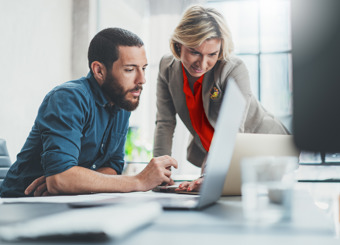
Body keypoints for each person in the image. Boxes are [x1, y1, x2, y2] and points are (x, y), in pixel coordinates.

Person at [0, 27, 177, 197]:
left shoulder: (121, 102)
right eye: (130, 70)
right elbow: (60, 179)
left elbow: (113, 167)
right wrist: (138, 181)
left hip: (67, 202)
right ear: (99, 70)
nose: (142, 79)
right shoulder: (68, 98)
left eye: (143, 68)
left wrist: (73, 181)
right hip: (19, 202)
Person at [153, 5, 288, 192]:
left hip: (264, 149)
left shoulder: (233, 69)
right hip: (216, 154)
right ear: (178, 45)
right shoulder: (166, 68)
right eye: (194, 52)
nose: (202, 63)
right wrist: (159, 174)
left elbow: (232, 132)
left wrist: (208, 174)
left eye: (212, 54)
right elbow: (165, 123)